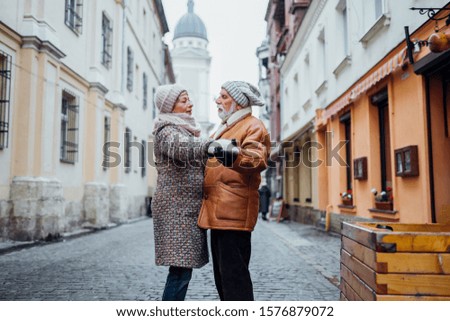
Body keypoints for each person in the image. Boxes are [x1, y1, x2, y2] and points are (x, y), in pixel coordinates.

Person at [197, 80, 271, 301]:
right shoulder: (225, 128)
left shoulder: (253, 125)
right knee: (223, 279)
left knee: (234, 280)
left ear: (238, 103)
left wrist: (226, 151)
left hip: (234, 212)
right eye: (219, 96)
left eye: (224, 96)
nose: (217, 100)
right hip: (218, 212)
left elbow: (255, 159)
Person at [151, 83, 212, 301]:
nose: (190, 104)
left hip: (186, 210)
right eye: (184, 100)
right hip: (175, 210)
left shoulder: (184, 129)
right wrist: (211, 145)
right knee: (180, 271)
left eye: (189, 99)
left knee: (182, 271)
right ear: (170, 106)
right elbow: (182, 147)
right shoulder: (166, 130)